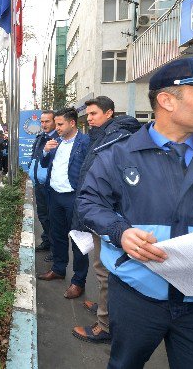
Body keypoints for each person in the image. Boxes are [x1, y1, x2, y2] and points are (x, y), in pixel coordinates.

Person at [78, 56, 193, 369]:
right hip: (137, 297)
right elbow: (89, 204)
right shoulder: (118, 155)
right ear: (166, 101)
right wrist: (120, 231)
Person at [70, 96, 140, 344]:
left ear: (109, 113)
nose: (88, 119)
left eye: (93, 114)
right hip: (101, 214)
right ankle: (104, 307)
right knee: (103, 269)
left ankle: (105, 325)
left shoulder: (117, 138)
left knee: (106, 270)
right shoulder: (103, 136)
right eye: (87, 115)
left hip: (110, 216)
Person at [37, 107, 90, 301]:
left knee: (77, 240)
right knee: (57, 235)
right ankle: (58, 269)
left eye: (60, 124)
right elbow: (44, 164)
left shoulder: (85, 142)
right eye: (56, 124)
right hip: (55, 196)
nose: (56, 128)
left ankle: (78, 281)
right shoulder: (55, 142)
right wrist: (45, 151)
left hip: (74, 198)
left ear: (72, 123)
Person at [27, 110, 56, 253]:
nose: (44, 124)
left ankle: (54, 248)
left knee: (52, 218)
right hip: (38, 184)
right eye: (42, 121)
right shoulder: (40, 137)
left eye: (47, 121)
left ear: (55, 121)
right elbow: (35, 158)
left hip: (50, 185)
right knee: (43, 215)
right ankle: (47, 241)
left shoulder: (57, 139)